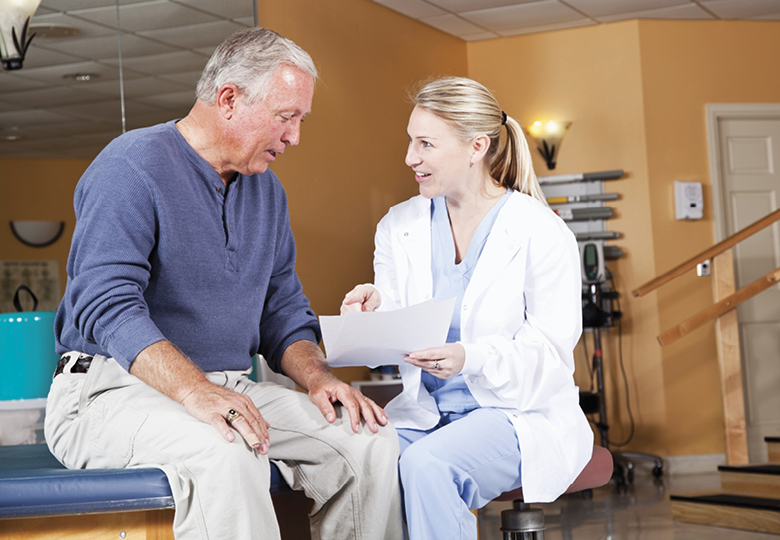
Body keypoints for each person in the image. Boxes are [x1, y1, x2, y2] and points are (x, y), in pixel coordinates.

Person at [45, 27, 403, 540]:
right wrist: (197, 392)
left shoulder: (266, 191)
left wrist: (320, 378)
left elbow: (282, 311)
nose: (295, 136)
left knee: (366, 440)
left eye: (300, 120)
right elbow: (107, 305)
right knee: (226, 446)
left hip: (228, 388)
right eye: (286, 117)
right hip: (108, 394)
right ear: (229, 98)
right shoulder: (130, 166)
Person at [341, 76, 593, 540]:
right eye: (410, 142)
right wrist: (372, 314)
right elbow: (390, 341)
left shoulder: (540, 230)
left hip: (516, 413)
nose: (410, 157)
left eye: (425, 144)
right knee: (356, 464)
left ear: (477, 146)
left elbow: (550, 358)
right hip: (426, 411)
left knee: (427, 466)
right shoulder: (399, 225)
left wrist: (468, 357)